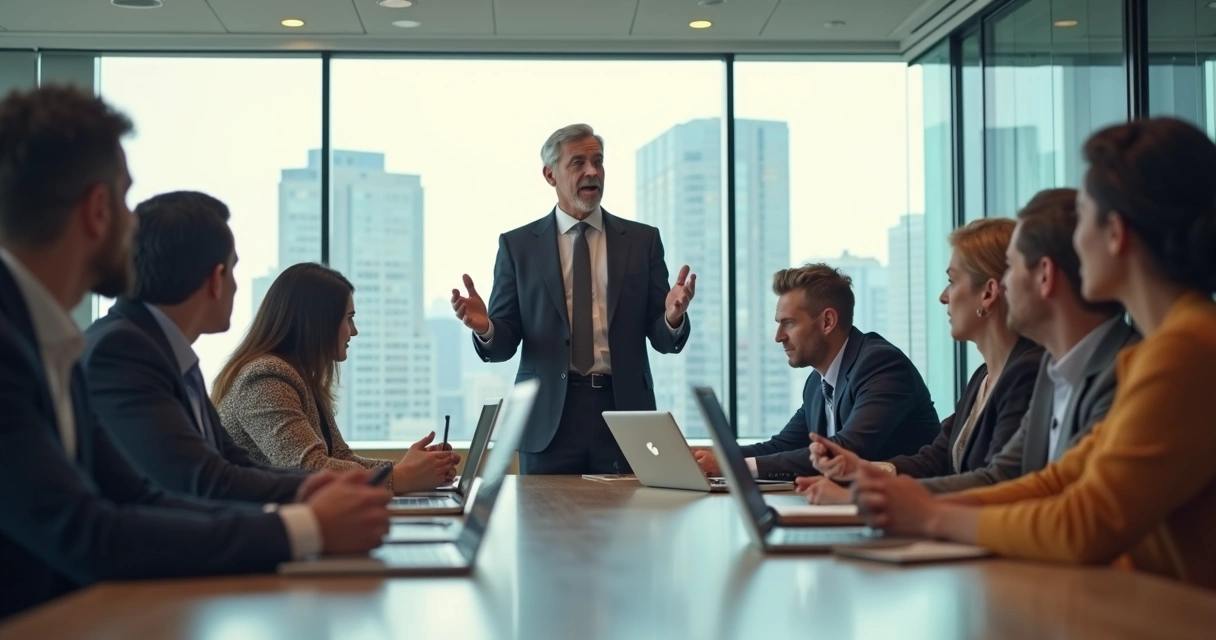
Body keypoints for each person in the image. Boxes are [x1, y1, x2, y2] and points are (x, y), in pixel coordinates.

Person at [0, 85, 388, 619]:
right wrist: (307, 525)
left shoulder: (55, 344)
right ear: (97, 210)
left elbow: (140, 496)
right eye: (126, 200)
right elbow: (89, 530)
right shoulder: (87, 350)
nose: (135, 225)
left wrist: (310, 499)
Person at [852, 117, 1216, 590]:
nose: (1073, 240)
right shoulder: (1163, 349)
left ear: (1115, 233)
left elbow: (1085, 522)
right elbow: (1057, 480)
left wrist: (931, 518)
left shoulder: (1185, 351)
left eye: (1082, 215)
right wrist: (919, 506)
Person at [450, 123, 694, 474]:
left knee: (629, 526)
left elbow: (662, 339)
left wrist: (672, 317)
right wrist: (486, 327)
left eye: (598, 161)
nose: (592, 171)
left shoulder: (642, 241)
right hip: (548, 419)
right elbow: (503, 345)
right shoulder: (518, 246)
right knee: (546, 526)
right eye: (578, 162)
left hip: (625, 413)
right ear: (550, 175)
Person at [81, 191, 313, 503]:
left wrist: (330, 484)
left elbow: (233, 462)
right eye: (233, 269)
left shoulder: (164, 349)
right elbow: (205, 481)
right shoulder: (122, 350)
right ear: (217, 279)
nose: (236, 285)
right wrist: (322, 492)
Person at [800, 219, 1043, 503]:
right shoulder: (983, 377)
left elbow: (994, 483)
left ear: (988, 293)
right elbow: (935, 460)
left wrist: (860, 495)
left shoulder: (1028, 373)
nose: (943, 296)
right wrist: (859, 469)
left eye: (952, 281)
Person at [213, 263, 459, 494]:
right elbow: (310, 468)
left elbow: (341, 458)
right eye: (349, 318)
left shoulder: (298, 377)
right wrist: (402, 476)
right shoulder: (265, 377)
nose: (354, 330)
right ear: (319, 322)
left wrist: (415, 468)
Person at [694, 263, 940, 481]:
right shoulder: (817, 383)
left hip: (905, 515)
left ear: (827, 322)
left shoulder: (881, 365)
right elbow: (783, 445)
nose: (778, 336)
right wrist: (712, 457)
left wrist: (732, 466)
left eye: (788, 323)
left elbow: (846, 450)